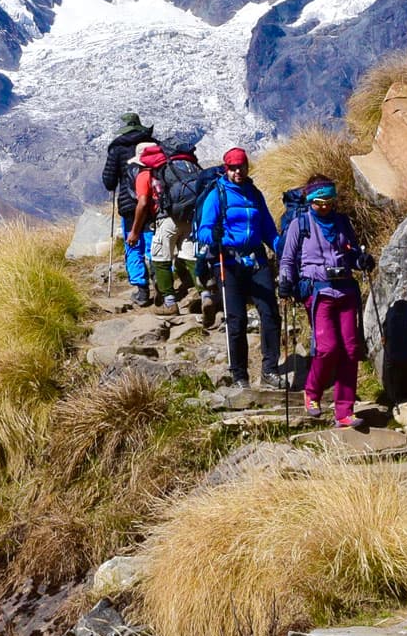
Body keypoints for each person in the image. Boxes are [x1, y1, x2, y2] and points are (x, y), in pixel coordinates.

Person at [276, 175, 375, 428]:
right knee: (327, 348)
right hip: (318, 292)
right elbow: (287, 259)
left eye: (329, 201)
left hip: (346, 291)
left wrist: (361, 261)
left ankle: (345, 412)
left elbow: (352, 253)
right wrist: (285, 282)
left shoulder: (342, 222)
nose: (325, 206)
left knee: (350, 350)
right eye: (319, 202)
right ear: (310, 201)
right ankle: (312, 392)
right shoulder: (300, 224)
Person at [193, 148, 281, 388]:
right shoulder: (217, 194)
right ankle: (239, 375)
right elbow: (203, 230)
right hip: (227, 261)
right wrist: (215, 236)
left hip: (256, 260)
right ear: (226, 169)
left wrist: (281, 248)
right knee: (236, 318)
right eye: (232, 168)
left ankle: (270, 370)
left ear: (247, 167)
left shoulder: (255, 194)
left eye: (241, 167)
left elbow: (268, 229)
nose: (237, 172)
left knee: (270, 313)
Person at [128, 142, 198, 315]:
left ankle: (169, 302)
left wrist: (135, 231)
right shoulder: (177, 169)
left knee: (160, 259)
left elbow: (143, 202)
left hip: (165, 220)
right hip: (189, 217)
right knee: (190, 256)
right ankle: (206, 295)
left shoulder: (145, 174)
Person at [100, 113, 155, 306]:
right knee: (153, 242)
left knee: (133, 244)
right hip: (154, 202)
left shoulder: (117, 148)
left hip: (129, 204)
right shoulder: (153, 144)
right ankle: (161, 282)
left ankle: (142, 290)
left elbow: (109, 181)